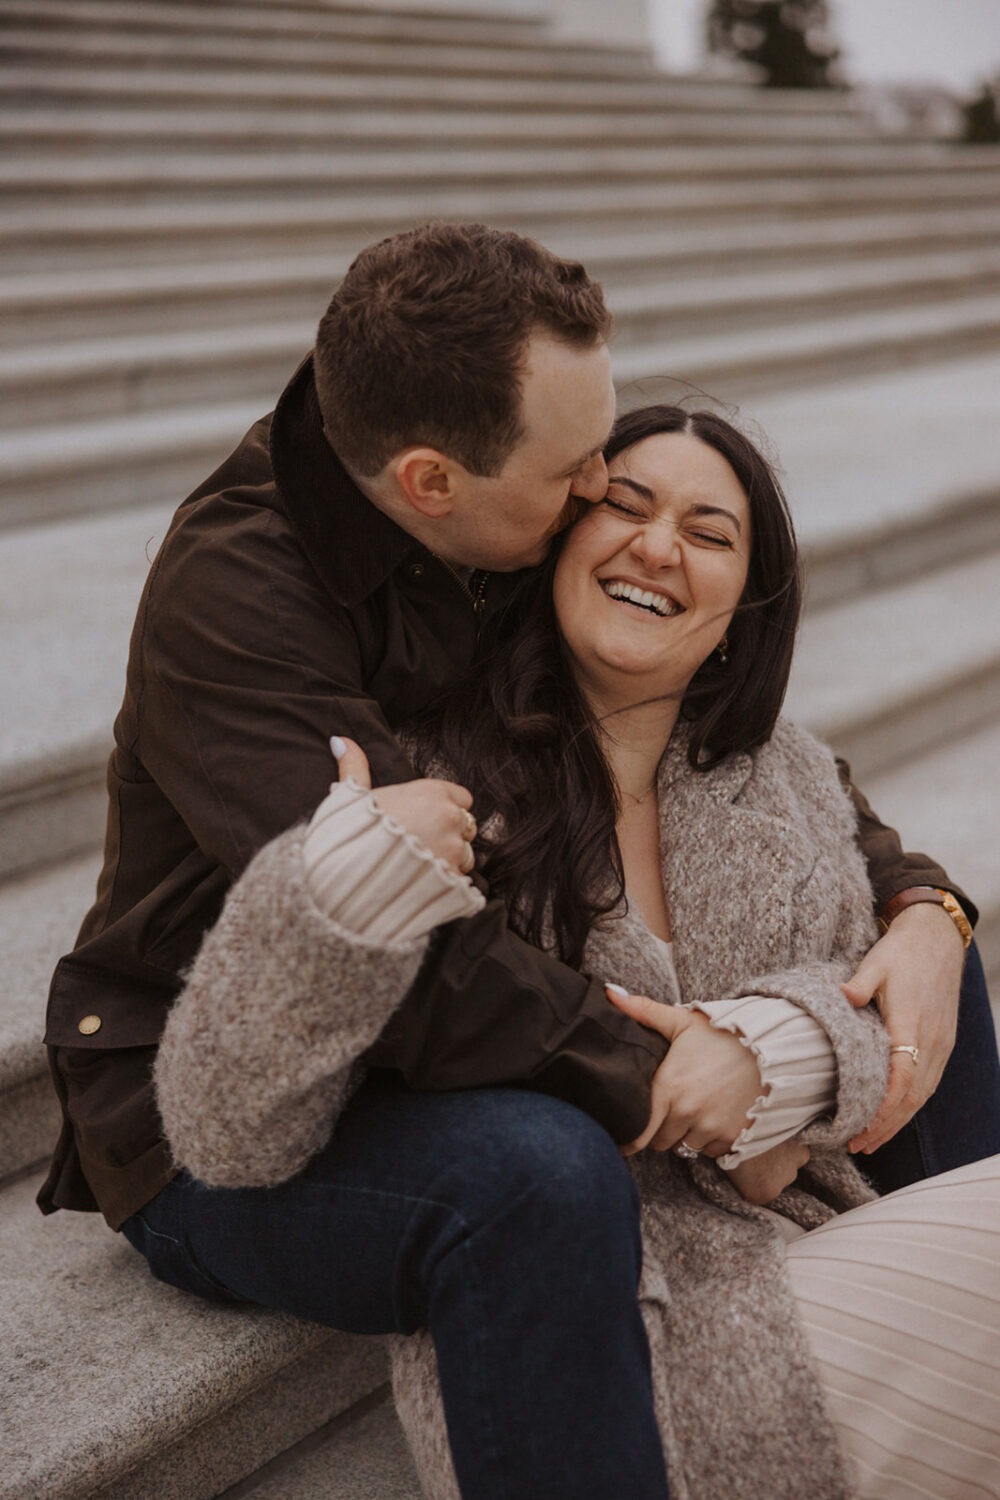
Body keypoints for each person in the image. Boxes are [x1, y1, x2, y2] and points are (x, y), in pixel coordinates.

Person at [36, 224, 999, 1496]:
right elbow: (395, 952)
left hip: (424, 1011)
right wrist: (686, 1079)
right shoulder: (242, 607)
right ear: (434, 482)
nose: (601, 490)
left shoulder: (495, 526)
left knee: (928, 977)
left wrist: (927, 906)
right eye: (581, 474)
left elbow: (791, 789)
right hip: (224, 1076)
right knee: (530, 1180)